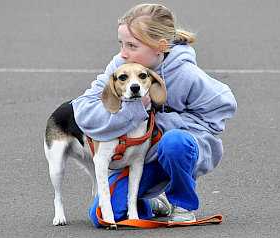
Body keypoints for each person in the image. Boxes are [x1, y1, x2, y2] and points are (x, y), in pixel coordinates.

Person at [71, 3, 237, 227]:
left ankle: (183, 203)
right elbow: (82, 109)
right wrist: (135, 111)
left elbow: (222, 106)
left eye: (132, 45)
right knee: (100, 216)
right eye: (121, 44)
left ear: (158, 46)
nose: (123, 52)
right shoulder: (121, 65)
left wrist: (164, 123)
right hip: (139, 158)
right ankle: (150, 203)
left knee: (174, 142)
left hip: (179, 151)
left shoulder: (186, 73)